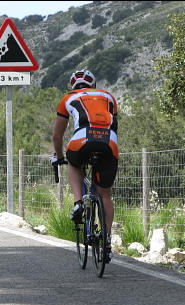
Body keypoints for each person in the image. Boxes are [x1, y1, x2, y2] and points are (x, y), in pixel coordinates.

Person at [51, 69, 119, 262]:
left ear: (73, 86)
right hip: (109, 142)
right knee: (105, 195)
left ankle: (79, 202)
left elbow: (57, 136)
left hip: (81, 140)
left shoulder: (67, 98)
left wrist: (58, 156)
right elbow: (113, 125)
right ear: (94, 85)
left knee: (73, 163)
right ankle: (106, 241)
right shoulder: (109, 96)